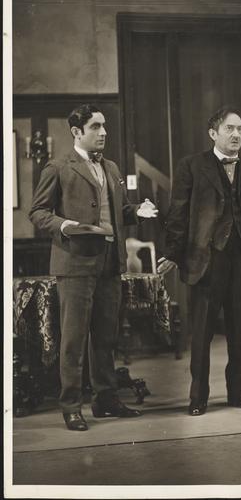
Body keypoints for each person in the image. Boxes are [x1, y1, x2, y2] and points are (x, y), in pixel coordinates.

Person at [29, 104, 158, 431]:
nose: (103, 133)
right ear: (76, 131)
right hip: (75, 263)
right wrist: (65, 224)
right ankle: (71, 406)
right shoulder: (58, 167)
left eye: (104, 126)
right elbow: (38, 212)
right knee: (73, 340)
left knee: (105, 337)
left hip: (110, 262)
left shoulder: (111, 167)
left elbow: (117, 211)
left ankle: (106, 400)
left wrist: (136, 212)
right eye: (95, 127)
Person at [158, 106, 241, 416]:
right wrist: (173, 252)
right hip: (206, 259)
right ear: (213, 133)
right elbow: (178, 212)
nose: (237, 134)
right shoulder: (192, 166)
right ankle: (198, 398)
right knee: (202, 332)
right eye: (230, 129)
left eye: (240, 129)